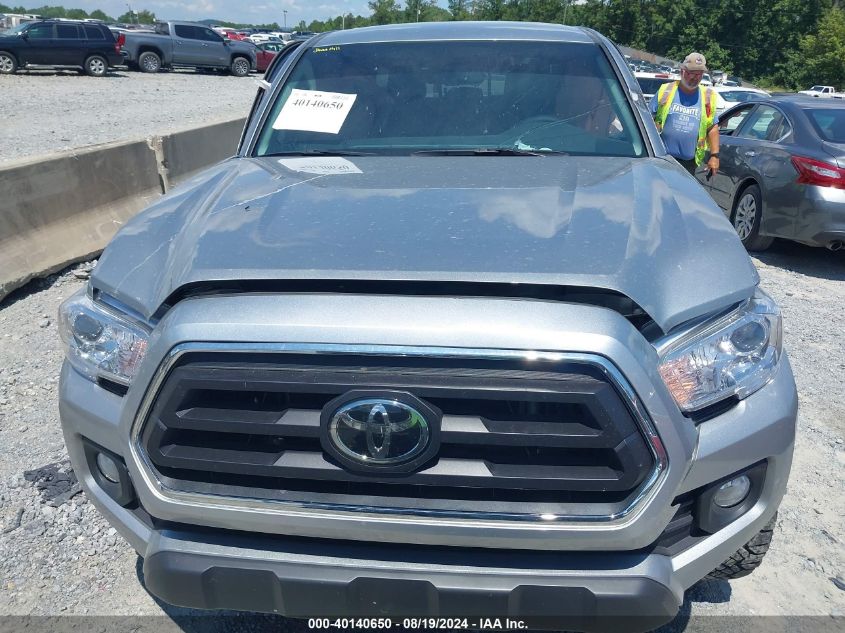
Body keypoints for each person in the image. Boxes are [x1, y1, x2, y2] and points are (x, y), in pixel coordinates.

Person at [651, 52, 720, 176]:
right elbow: (647, 118)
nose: (693, 78)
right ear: (681, 71)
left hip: (689, 165)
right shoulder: (666, 90)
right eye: (690, 73)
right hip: (661, 158)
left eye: (698, 74)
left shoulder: (707, 96)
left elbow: (712, 127)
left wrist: (714, 156)